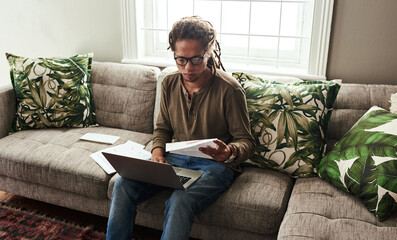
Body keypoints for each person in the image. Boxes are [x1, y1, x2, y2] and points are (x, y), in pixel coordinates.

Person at [106, 16, 255, 240]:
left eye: (196, 59)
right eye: (180, 60)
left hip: (215, 166)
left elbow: (247, 142)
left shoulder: (229, 90)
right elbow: (162, 129)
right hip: (175, 159)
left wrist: (230, 152)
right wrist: (157, 154)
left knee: (180, 199)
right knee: (122, 184)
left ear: (209, 52)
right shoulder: (169, 83)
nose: (188, 68)